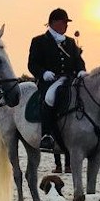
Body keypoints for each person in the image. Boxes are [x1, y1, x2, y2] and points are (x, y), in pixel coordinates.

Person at [28, 8, 86, 150]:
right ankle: (46, 135)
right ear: (54, 23)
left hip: (70, 79)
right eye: (64, 22)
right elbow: (32, 64)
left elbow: (78, 60)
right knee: (50, 97)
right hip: (50, 81)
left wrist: (81, 71)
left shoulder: (71, 42)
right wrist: (43, 73)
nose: (66, 25)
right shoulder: (39, 41)